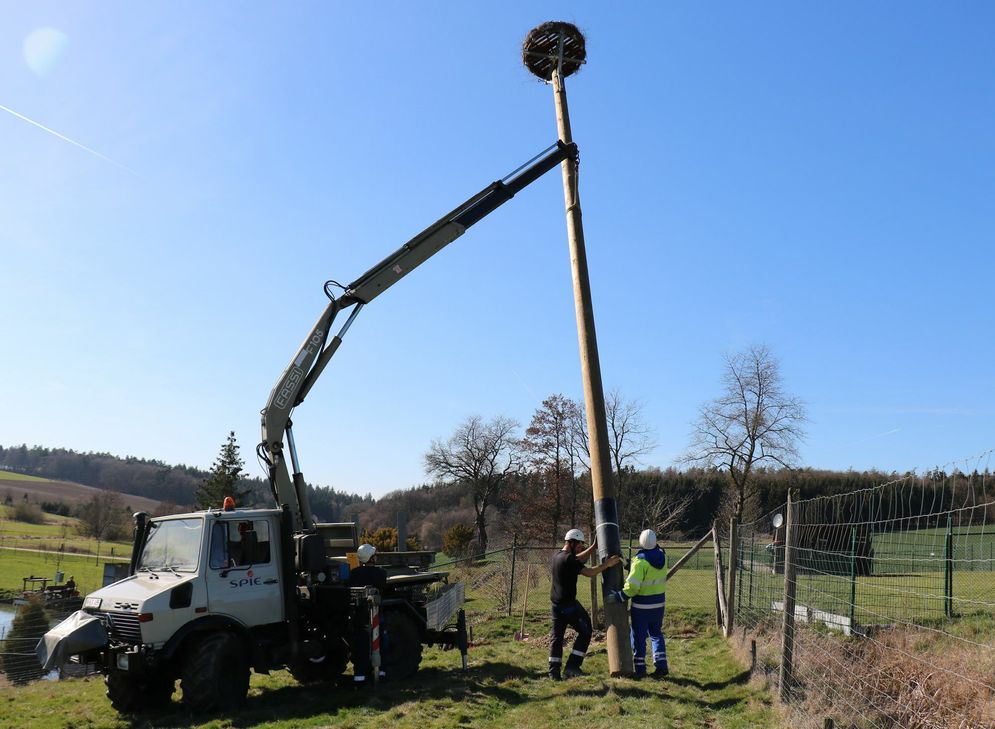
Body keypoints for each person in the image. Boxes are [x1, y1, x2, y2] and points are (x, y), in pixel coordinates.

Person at [548, 528, 620, 680]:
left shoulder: (558, 556)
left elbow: (576, 559)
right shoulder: (569, 559)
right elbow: (589, 572)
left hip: (556, 606)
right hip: (568, 606)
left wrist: (592, 548)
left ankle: (554, 673)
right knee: (586, 630)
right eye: (580, 545)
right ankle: (572, 667)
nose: (581, 548)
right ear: (572, 543)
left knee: (557, 638)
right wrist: (607, 564)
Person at [613, 528, 668, 679]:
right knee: (656, 634)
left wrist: (620, 596)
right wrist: (628, 565)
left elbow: (633, 586)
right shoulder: (663, 557)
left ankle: (640, 668)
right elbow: (650, 570)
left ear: (640, 542)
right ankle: (661, 666)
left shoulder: (639, 561)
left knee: (638, 636)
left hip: (642, 605)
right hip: (659, 603)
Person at [347, 543, 389, 685]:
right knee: (381, 643)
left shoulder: (353, 574)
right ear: (371, 558)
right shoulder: (381, 574)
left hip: (360, 617)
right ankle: (380, 673)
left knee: (361, 646)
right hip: (377, 615)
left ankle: (360, 677)